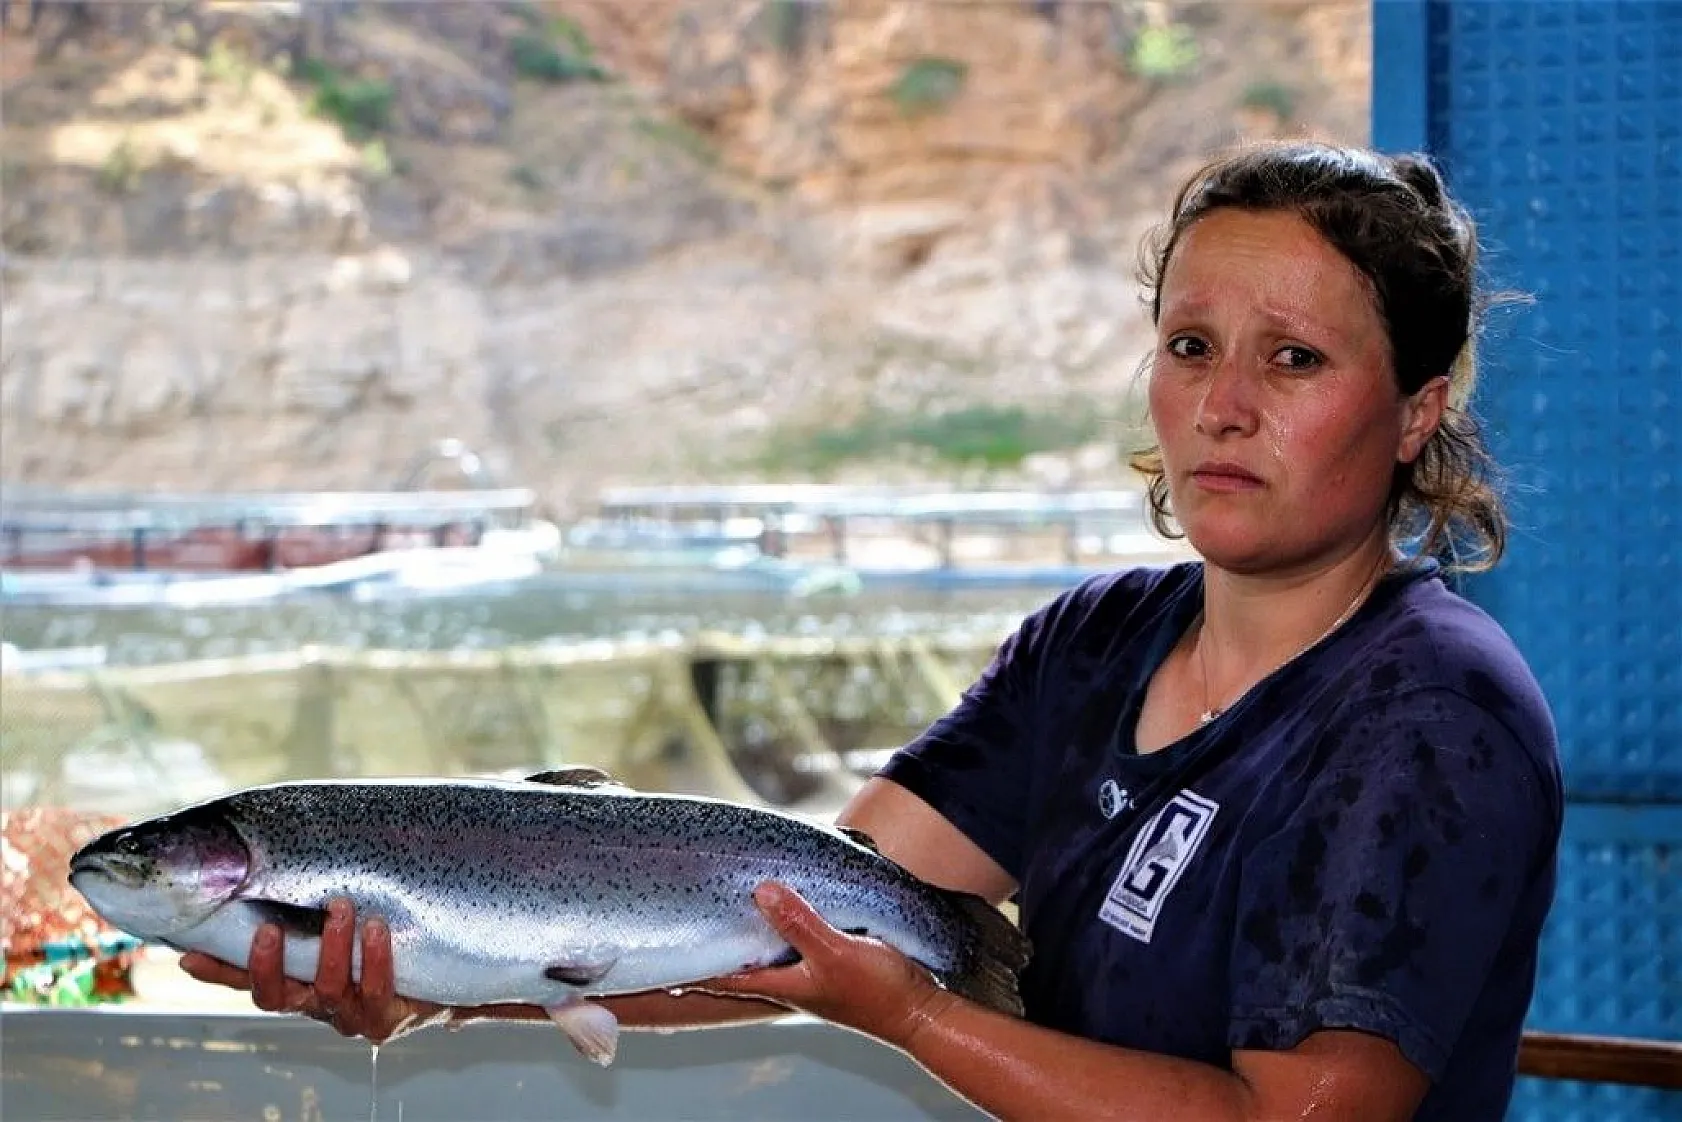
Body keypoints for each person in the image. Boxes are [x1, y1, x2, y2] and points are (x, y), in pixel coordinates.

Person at [181, 141, 1563, 1122]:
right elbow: (776, 937)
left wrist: (918, 1016)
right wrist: (444, 978)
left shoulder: (1425, 716)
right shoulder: (1089, 646)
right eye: (1189, 345)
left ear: (1416, 411)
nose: (1221, 404)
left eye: (1296, 359)